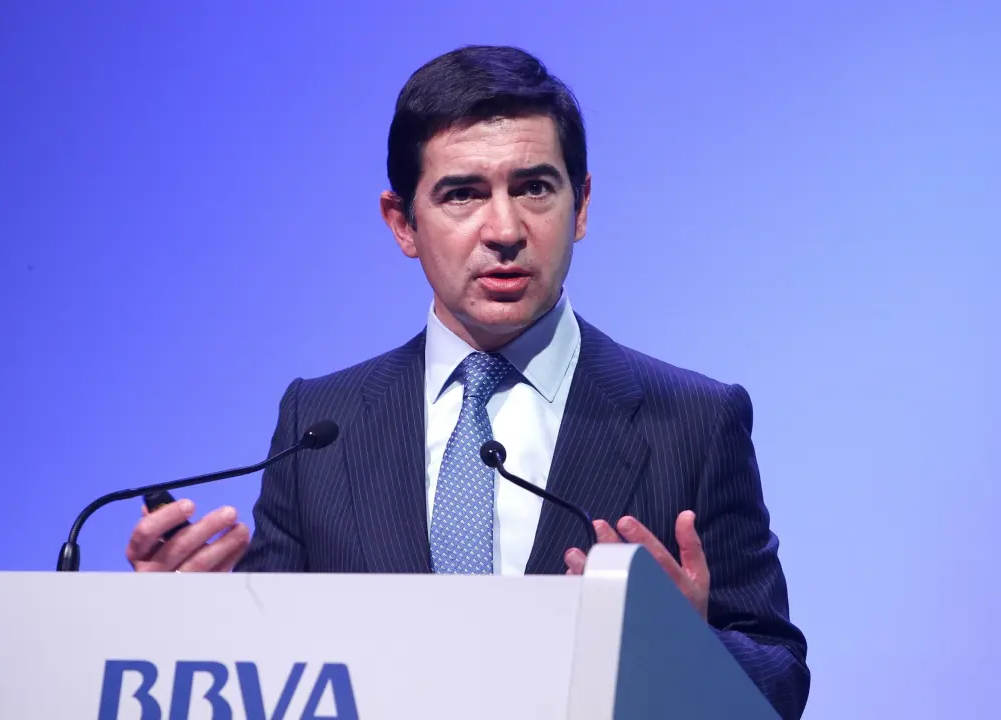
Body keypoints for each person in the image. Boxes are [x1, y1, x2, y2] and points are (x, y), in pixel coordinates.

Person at [125, 45, 809, 719]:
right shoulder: (321, 426)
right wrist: (186, 620)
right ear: (403, 224)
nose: (505, 229)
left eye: (534, 188)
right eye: (463, 194)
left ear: (581, 205)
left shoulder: (694, 421)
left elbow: (779, 682)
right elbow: (270, 670)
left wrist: (689, 653)